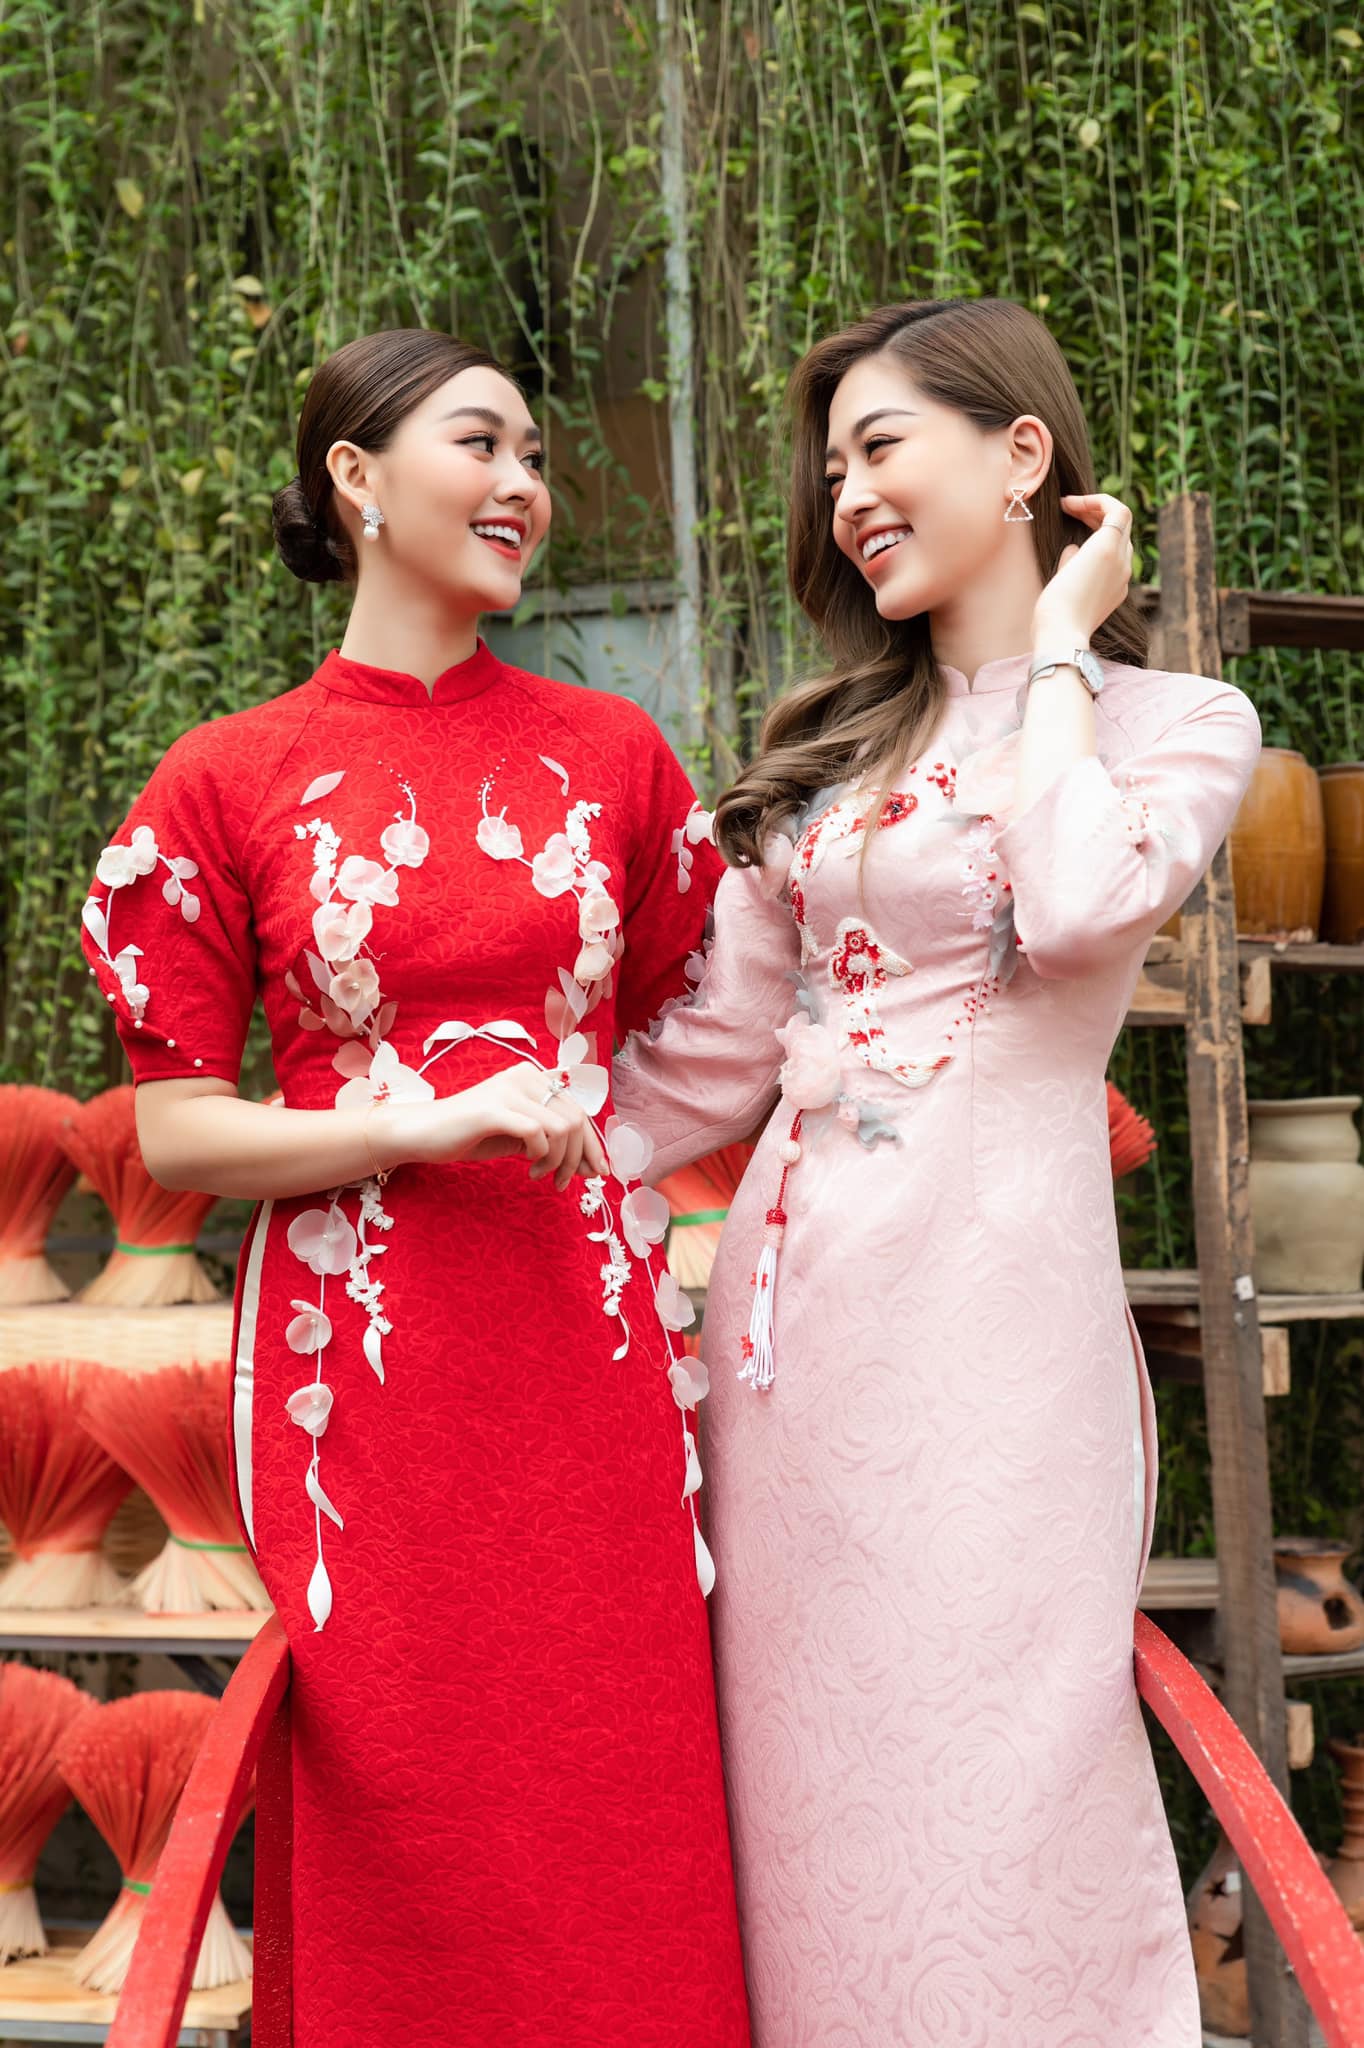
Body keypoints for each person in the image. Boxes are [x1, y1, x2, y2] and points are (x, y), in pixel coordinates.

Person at [80, 329, 750, 2046]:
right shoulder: (228, 777)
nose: (524, 483)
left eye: (537, 456)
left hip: (591, 1345)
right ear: (356, 480)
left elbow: (716, 1032)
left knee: (615, 1766)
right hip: (361, 1376)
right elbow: (178, 1139)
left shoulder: (615, 758)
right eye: (481, 444)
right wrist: (418, 1130)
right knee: (403, 1777)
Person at [612, 296, 1261, 2045]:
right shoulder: (833, 747)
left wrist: (1057, 647)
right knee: (803, 1768)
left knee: (1002, 1750)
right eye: (831, 470)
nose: (848, 499)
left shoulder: (1178, 722)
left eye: (881, 447)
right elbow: (714, 1061)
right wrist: (473, 1136)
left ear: (1022, 453)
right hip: (792, 1335)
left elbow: (1077, 906)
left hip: (994, 1326)